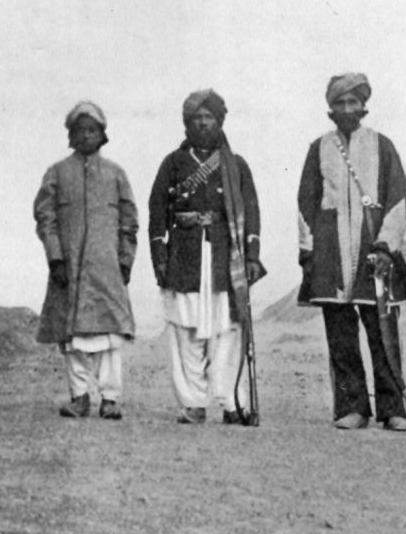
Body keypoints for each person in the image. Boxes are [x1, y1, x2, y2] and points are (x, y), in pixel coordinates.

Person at [298, 72, 406, 431]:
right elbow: (305, 204)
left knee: (382, 334)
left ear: (364, 106)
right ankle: (353, 408)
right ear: (331, 109)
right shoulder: (318, 148)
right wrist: (310, 253)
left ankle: (392, 409)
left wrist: (385, 246)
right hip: (332, 257)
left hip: (374, 254)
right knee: (341, 338)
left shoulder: (383, 146)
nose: (347, 108)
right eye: (340, 103)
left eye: (353, 102)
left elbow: (398, 199)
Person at [149, 90, 265, 425]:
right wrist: (160, 256)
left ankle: (232, 402)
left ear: (219, 121)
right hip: (184, 256)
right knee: (185, 332)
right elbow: (157, 212)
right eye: (197, 117)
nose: (203, 123)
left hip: (225, 257)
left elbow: (251, 213)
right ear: (187, 123)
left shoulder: (236, 166)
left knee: (227, 330)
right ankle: (192, 403)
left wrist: (252, 255)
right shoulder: (173, 164)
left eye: (209, 117)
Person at [33, 102, 137, 419]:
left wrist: (125, 261)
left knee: (109, 337)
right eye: (80, 130)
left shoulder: (116, 174)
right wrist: (56, 259)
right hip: (69, 270)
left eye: (92, 130)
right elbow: (45, 219)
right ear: (71, 135)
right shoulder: (56, 173)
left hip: (106, 271)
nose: (86, 136)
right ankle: (79, 397)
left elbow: (129, 222)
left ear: (102, 135)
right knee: (72, 338)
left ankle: (110, 398)